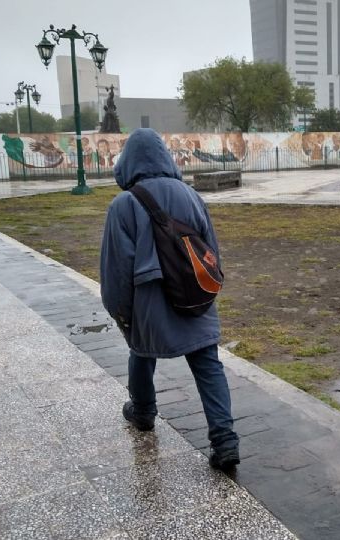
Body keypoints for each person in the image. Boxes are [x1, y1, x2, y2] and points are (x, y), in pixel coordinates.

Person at [99, 128, 240, 471]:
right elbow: (211, 254)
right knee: (208, 365)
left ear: (128, 161)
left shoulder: (124, 205)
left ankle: (144, 412)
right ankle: (225, 441)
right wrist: (208, 289)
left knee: (141, 352)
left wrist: (121, 313)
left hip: (150, 300)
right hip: (194, 295)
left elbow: (117, 269)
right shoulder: (192, 196)